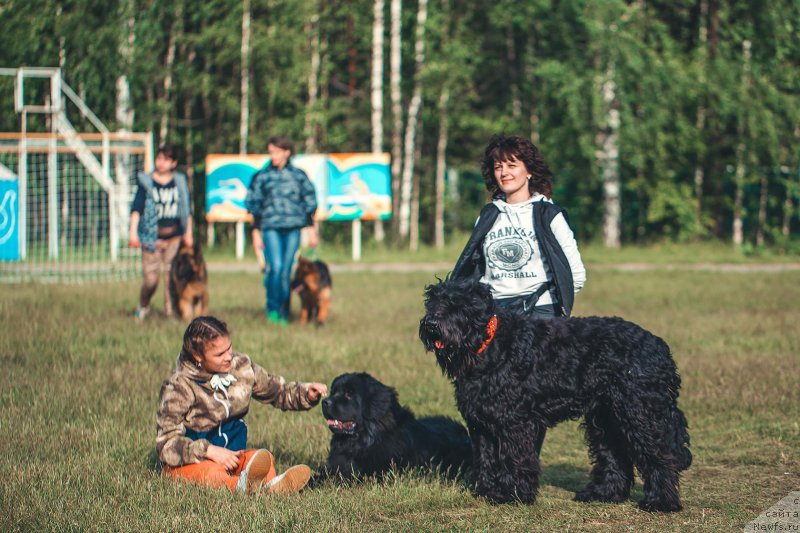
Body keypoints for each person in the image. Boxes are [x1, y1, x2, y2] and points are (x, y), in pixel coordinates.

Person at [451, 134, 587, 454]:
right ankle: (495, 466)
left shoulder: (548, 215)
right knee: (491, 392)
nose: (505, 172)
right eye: (498, 166)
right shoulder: (488, 215)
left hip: (540, 314)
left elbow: (575, 273)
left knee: (530, 395)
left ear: (529, 171)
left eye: (512, 165)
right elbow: (475, 268)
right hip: (496, 315)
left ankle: (522, 466)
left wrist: (553, 308)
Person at [156, 315, 328, 495]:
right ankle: (243, 487)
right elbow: (166, 443)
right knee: (212, 472)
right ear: (198, 356)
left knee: (264, 459)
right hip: (192, 463)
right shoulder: (178, 386)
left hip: (233, 457)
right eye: (219, 354)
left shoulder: (242, 368)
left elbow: (277, 391)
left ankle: (272, 486)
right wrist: (208, 451)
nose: (229, 357)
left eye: (229, 348)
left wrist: (306, 393)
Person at [245, 136, 318, 325]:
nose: (273, 156)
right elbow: (254, 205)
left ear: (287, 152)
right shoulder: (262, 176)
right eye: (271, 152)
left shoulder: (299, 176)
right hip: (270, 228)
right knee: (275, 268)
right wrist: (255, 232)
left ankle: (284, 311)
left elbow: (309, 202)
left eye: (277, 152)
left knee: (286, 271)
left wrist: (311, 230)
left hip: (293, 228)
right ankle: (273, 309)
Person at [129, 144, 193, 321]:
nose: (161, 163)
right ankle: (143, 305)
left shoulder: (179, 182)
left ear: (173, 163)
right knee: (151, 280)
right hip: (151, 239)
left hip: (174, 238)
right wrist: (133, 232)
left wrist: (188, 233)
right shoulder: (146, 182)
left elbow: (187, 210)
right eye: (159, 158)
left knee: (171, 278)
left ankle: (170, 313)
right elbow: (136, 208)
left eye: (166, 159)